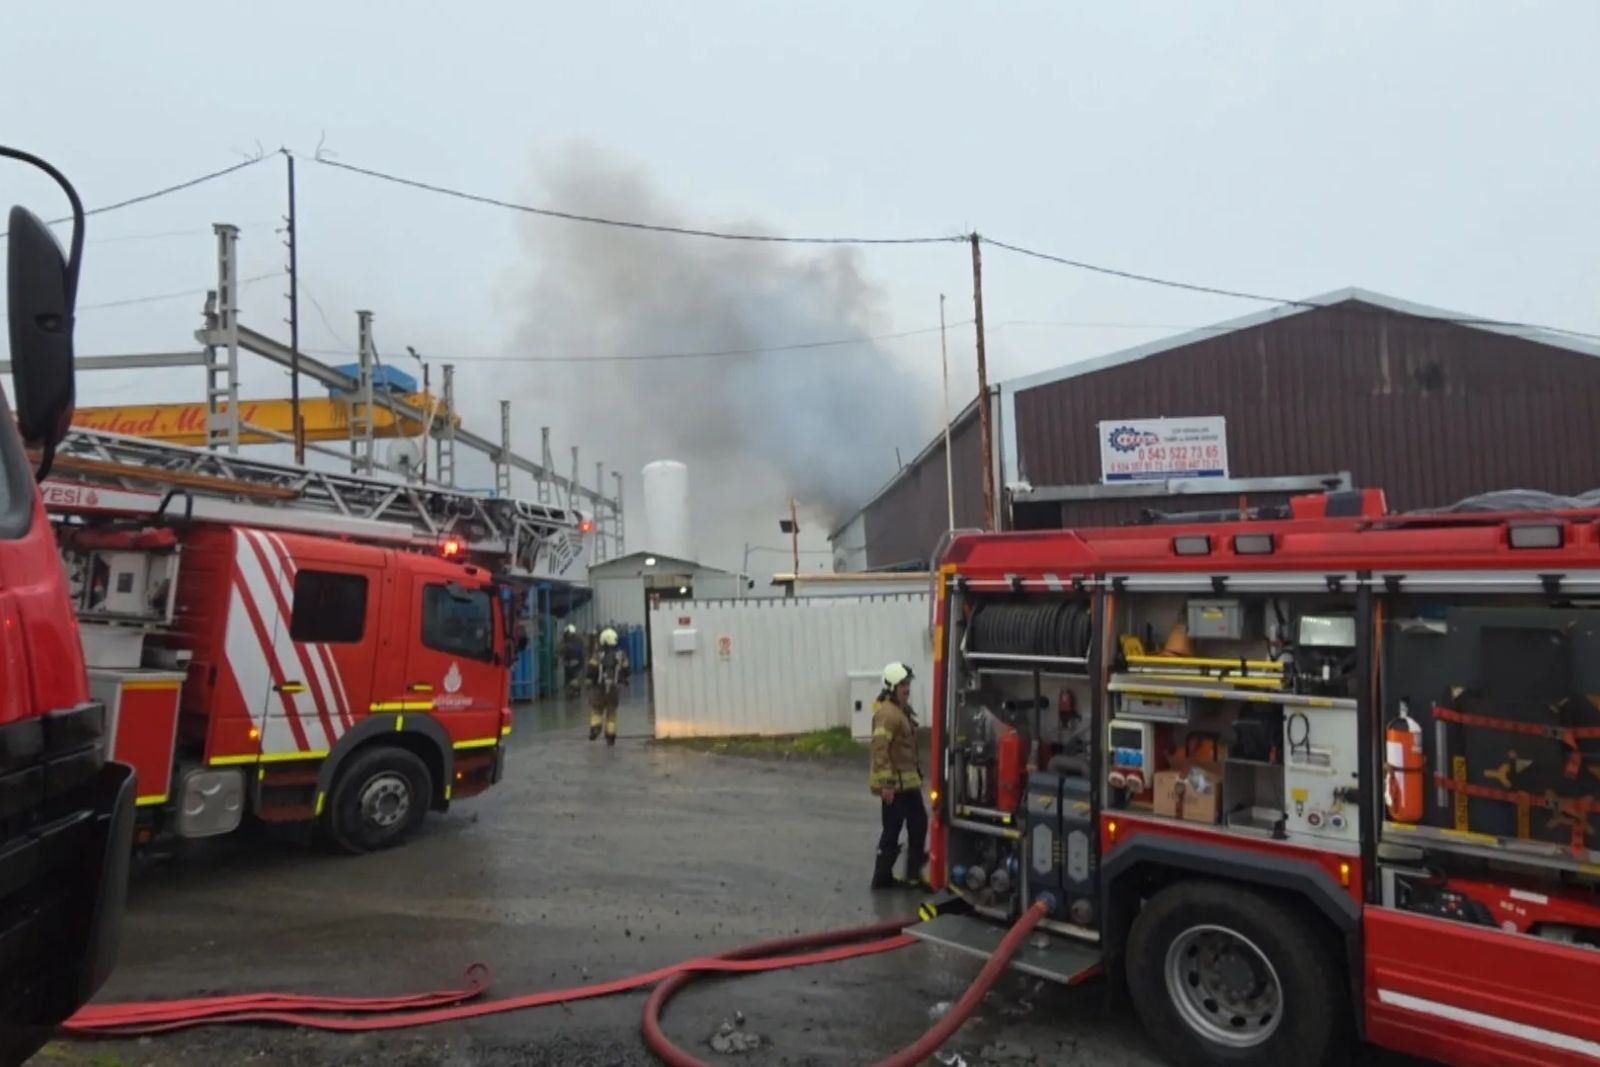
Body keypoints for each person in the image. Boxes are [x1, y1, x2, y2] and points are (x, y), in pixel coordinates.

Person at [869, 662, 926, 890]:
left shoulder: (901, 711)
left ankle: (913, 875)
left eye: (908, 683)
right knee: (892, 830)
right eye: (903, 684)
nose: (907, 688)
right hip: (894, 786)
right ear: (891, 687)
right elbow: (880, 749)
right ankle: (881, 879)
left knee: (919, 825)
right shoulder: (887, 714)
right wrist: (887, 784)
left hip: (908, 785)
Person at [588, 627, 630, 745]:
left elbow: (591, 670)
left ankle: (595, 728)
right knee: (611, 713)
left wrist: (590, 681)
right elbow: (627, 670)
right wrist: (624, 680)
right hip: (614, 689)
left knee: (597, 709)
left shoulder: (597, 654)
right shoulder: (621, 654)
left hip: (599, 688)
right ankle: (610, 736)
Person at [560, 624, 586, 697]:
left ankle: (574, 688)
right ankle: (574, 688)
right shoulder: (576, 639)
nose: (566, 634)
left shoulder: (572, 640)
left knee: (573, 675)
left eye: (567, 633)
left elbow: (563, 649)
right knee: (573, 675)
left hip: (575, 660)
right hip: (574, 661)